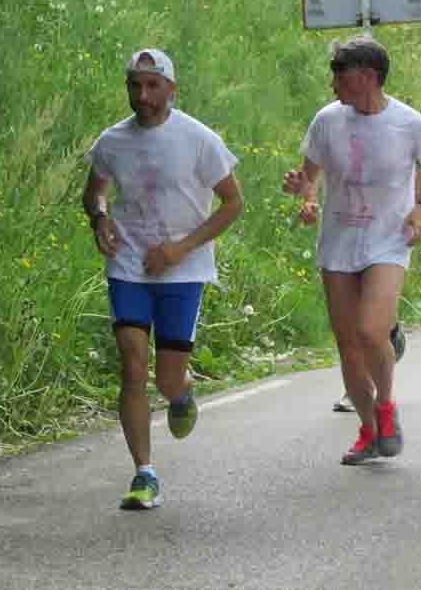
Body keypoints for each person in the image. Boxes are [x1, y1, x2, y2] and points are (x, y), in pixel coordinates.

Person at [83, 48, 243, 509]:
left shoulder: (199, 139)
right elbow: (94, 192)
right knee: (132, 362)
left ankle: (181, 392)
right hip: (129, 264)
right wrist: (100, 218)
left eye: (153, 86)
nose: (143, 95)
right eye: (135, 85)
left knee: (167, 379)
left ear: (171, 89)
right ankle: (144, 473)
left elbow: (233, 204)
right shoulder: (112, 141)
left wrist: (180, 248)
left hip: (182, 270)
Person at [283, 36, 421, 464]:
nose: (333, 84)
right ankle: (368, 430)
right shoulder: (327, 121)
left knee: (371, 331)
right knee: (349, 345)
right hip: (338, 239)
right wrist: (304, 193)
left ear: (369, 77)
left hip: (388, 238)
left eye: (341, 75)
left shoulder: (408, 123)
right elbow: (310, 174)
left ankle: (386, 408)